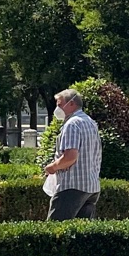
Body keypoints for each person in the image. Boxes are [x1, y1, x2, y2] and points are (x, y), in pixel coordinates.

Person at [42, 87, 101, 220]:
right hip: (91, 187)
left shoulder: (72, 124)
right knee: (81, 231)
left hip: (72, 186)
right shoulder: (90, 122)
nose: (57, 109)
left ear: (72, 104)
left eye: (60, 105)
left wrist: (52, 167)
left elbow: (70, 157)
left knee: (55, 228)